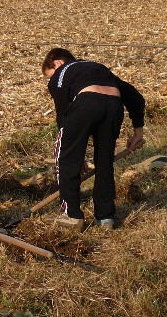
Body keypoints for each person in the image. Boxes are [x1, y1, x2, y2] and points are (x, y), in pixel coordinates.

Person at [41, 48, 145, 232]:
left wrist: (73, 154)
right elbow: (136, 98)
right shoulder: (97, 68)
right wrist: (138, 131)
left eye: (49, 75)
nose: (51, 79)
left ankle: (71, 216)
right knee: (104, 162)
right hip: (114, 107)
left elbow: (63, 117)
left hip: (86, 103)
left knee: (64, 160)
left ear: (57, 63)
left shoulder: (62, 72)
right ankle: (106, 218)